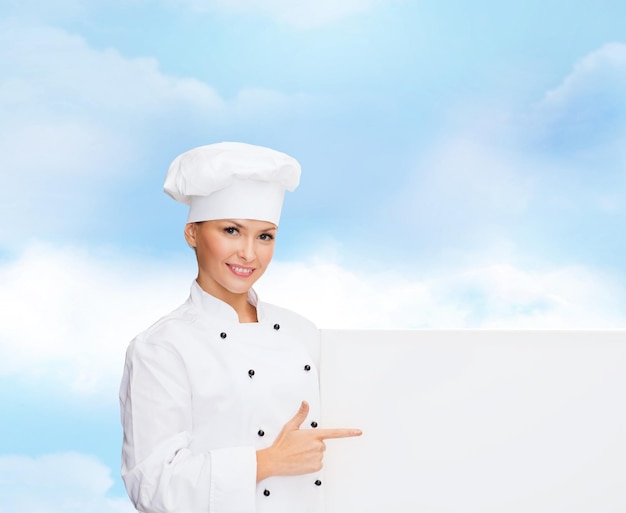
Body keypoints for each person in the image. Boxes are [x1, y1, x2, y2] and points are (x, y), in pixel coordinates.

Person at [119, 142, 361, 513]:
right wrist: (268, 462)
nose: (249, 253)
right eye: (231, 230)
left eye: (265, 236)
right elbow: (153, 487)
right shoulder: (162, 347)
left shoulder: (303, 332)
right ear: (192, 234)